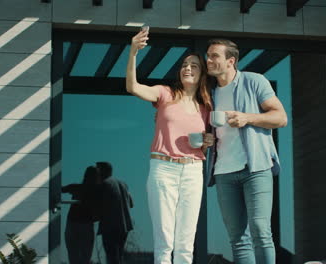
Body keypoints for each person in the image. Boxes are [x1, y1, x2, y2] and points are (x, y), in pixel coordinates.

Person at [126, 29, 214, 264]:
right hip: (163, 169)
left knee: (185, 244)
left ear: (202, 73)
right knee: (164, 241)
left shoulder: (205, 108)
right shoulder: (165, 93)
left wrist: (208, 142)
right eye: (185, 64)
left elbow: (205, 145)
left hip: (193, 169)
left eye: (194, 65)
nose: (188, 68)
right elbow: (133, 87)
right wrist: (133, 51)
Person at [205, 39, 288, 264]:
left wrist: (247, 118)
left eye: (214, 56)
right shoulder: (209, 92)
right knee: (238, 238)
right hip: (224, 173)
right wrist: (207, 139)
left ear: (230, 61)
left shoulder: (254, 81)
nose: (208, 60)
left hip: (256, 168)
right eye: (208, 56)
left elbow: (281, 118)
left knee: (260, 230)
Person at [62, 166, 102, 264]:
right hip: (86, 224)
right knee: (85, 256)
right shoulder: (97, 192)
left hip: (72, 223)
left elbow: (61, 189)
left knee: (73, 255)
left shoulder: (77, 188)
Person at [96, 161, 134, 264]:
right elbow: (131, 203)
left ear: (101, 172)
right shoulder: (122, 184)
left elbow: (100, 205)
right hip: (125, 225)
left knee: (111, 255)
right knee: (119, 255)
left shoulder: (104, 184)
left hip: (111, 225)